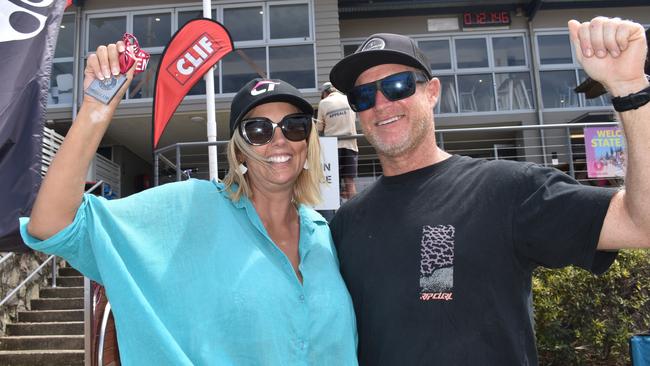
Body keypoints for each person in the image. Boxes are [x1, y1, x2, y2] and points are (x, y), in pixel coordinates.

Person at [328, 17, 650, 365]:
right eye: (362, 96)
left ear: (432, 92)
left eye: (398, 85)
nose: (380, 103)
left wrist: (629, 89)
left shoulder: (507, 189)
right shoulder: (347, 222)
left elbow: (641, 224)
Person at [20, 40, 358, 365]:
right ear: (240, 149)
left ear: (307, 142)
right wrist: (96, 110)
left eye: (294, 126)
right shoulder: (191, 208)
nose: (279, 140)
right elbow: (51, 225)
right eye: (258, 130)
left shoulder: (323, 235)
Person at [317, 81, 359, 200]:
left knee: (333, 184)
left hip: (332, 147)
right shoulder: (347, 99)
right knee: (349, 182)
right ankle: (353, 213)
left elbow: (319, 128)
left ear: (325, 93)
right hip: (351, 144)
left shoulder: (323, 103)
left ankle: (336, 215)